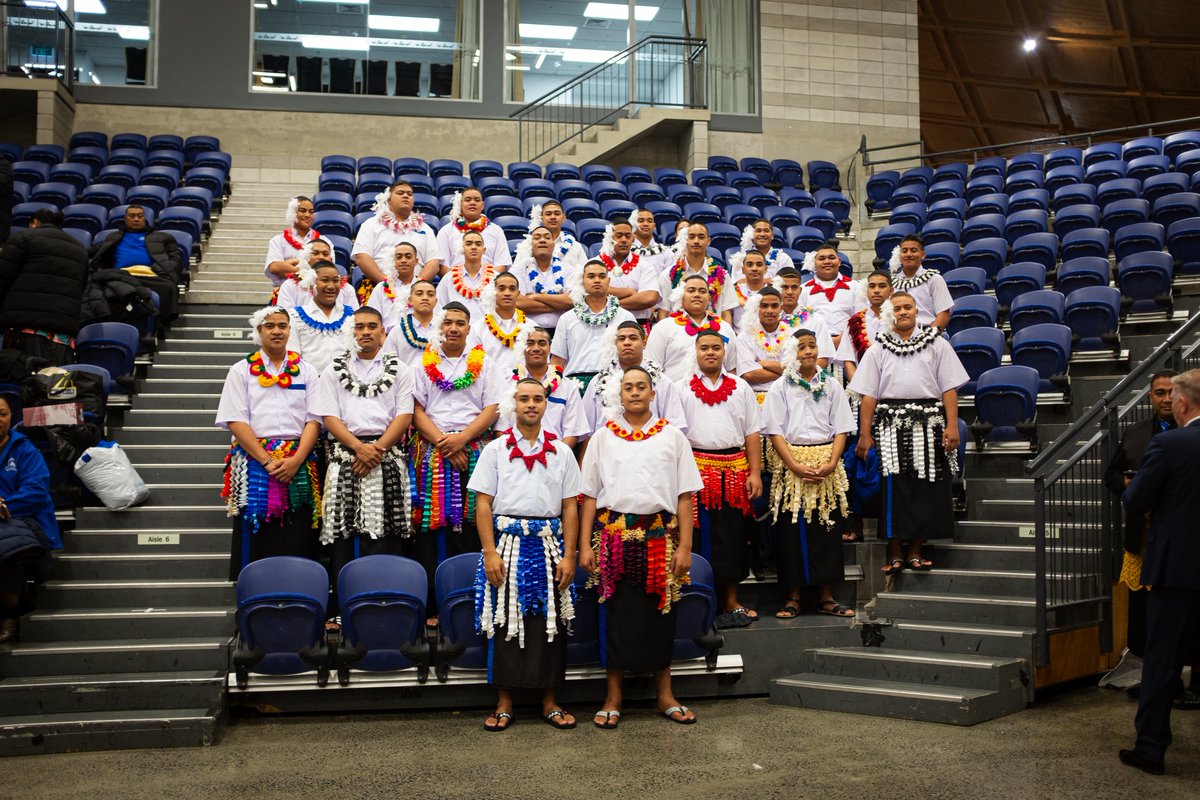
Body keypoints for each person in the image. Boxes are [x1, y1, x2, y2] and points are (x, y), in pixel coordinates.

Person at [579, 366, 704, 727]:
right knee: (616, 614)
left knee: (662, 614)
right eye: (628, 388)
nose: (634, 392)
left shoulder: (672, 437)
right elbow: (588, 497)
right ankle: (613, 696)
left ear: (653, 393)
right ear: (620, 394)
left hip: (660, 539)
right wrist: (586, 546)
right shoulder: (604, 436)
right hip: (614, 537)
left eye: (641, 387)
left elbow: (684, 495)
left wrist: (684, 546)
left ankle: (664, 694)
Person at [472, 377, 582, 732]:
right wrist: (489, 551)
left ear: (546, 404)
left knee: (550, 624)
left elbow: (569, 507)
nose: (531, 404)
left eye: (537, 399)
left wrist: (568, 555)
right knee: (506, 621)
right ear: (514, 405)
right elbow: (484, 504)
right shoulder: (495, 449)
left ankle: (550, 701)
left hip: (549, 545)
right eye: (524, 399)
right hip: (507, 545)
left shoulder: (562, 453)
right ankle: (504, 703)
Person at [849, 292, 967, 574]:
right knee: (893, 488)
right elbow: (868, 395)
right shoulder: (878, 348)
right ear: (890, 313)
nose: (902, 312)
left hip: (929, 424)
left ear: (917, 311)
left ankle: (915, 549)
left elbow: (949, 388)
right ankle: (894, 551)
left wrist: (952, 425)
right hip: (889, 425)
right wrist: (865, 434)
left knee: (923, 488)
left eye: (907, 307)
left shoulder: (937, 344)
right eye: (897, 308)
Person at [1120, 369, 1200, 775]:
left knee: (1162, 660)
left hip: (1177, 568)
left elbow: (1135, 499)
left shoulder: (1169, 443)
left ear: (1182, 403)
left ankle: (1151, 749)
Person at [312, 306, 414, 615]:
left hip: (387, 454)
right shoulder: (333, 370)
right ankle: (347, 610)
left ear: (384, 332)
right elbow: (329, 416)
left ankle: (387, 607)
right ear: (350, 332)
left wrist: (377, 450)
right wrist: (359, 448)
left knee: (388, 531)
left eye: (372, 326)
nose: (365, 332)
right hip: (346, 456)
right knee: (344, 533)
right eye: (359, 327)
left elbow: (404, 414)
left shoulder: (401, 369)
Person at [216, 307, 321, 580]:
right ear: (259, 331)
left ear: (290, 330)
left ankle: (300, 598)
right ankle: (253, 602)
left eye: (283, 326)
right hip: (255, 462)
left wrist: (296, 459)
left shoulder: (307, 371)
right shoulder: (241, 371)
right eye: (270, 325)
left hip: (299, 462)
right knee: (256, 529)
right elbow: (235, 420)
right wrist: (267, 460)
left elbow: (315, 420)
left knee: (298, 531)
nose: (277, 331)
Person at [763, 329, 856, 619]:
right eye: (801, 347)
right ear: (793, 352)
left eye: (812, 346)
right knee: (792, 531)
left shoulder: (831, 385)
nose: (808, 351)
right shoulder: (780, 387)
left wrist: (831, 461)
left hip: (825, 460)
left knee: (826, 529)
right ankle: (793, 597)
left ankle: (827, 597)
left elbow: (842, 428)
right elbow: (775, 431)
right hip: (793, 462)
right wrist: (793, 465)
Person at [410, 302, 500, 599]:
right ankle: (433, 600)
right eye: (447, 322)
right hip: (433, 452)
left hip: (473, 451)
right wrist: (443, 442)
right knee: (431, 522)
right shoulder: (423, 362)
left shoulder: (484, 363)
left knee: (471, 520)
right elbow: (416, 410)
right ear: (440, 327)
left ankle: (471, 594)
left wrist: (462, 438)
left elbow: (493, 408)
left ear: (468, 328)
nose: (453, 328)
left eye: (459, 323)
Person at [678, 330, 762, 628]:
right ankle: (699, 599)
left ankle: (731, 600)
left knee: (733, 536)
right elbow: (676, 436)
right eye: (704, 348)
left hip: (734, 471)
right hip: (695, 472)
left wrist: (754, 472)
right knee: (697, 538)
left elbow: (752, 432)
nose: (711, 352)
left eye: (716, 347)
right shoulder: (681, 388)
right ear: (696, 351)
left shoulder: (741, 387)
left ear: (724, 352)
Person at [0, 394, 59, 642]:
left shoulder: (25, 450)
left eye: (2, 413)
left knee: (9, 544)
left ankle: (9, 612)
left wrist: (3, 506)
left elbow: (35, 492)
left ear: (10, 416)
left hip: (23, 520)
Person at [0, 208, 89, 366]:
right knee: (53, 385)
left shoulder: (23, 238)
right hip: (63, 334)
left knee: (25, 384)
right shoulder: (80, 248)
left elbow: (3, 277)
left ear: (34, 222)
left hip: (26, 328)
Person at [581, 320, 688, 438]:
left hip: (653, 449)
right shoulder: (598, 382)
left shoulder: (662, 381)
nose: (627, 343)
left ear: (644, 342)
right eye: (621, 339)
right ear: (615, 344)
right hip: (606, 450)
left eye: (633, 338)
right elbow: (586, 432)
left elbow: (675, 428)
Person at [88, 203, 185, 325]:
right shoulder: (113, 237)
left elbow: (176, 259)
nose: (136, 219)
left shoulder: (163, 237)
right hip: (120, 277)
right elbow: (93, 251)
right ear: (126, 219)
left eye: (140, 216)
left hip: (151, 276)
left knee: (169, 287)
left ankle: (157, 324)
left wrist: (161, 269)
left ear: (144, 218)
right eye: (132, 216)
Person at [550, 260, 636, 392]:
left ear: (608, 281)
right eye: (591, 276)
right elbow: (557, 361)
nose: (597, 280)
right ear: (582, 281)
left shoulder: (625, 317)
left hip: (614, 384)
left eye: (602, 276)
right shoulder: (567, 318)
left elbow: (634, 357)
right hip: (574, 385)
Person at [738, 286, 835, 398]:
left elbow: (800, 370)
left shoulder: (792, 335)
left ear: (781, 308)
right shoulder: (745, 336)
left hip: (789, 396)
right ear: (757, 308)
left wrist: (766, 364)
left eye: (774, 306)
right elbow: (749, 375)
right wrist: (787, 371)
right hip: (755, 397)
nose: (769, 310)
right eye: (764, 306)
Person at [646, 274, 742, 386]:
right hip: (674, 397)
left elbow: (731, 370)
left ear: (709, 297)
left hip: (718, 396)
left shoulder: (725, 328)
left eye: (702, 291)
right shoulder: (664, 327)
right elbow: (652, 368)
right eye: (691, 291)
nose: (697, 295)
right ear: (681, 296)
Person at [501, 327, 588, 448]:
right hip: (515, 455)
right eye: (530, 343)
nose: (536, 348)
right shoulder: (508, 383)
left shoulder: (567, 386)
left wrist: (557, 457)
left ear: (550, 348)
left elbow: (572, 432)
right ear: (521, 347)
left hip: (556, 456)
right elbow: (501, 427)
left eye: (542, 343)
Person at [352, 180, 440, 293]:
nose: (405, 196)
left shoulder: (425, 228)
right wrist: (386, 284)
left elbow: (433, 262)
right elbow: (362, 257)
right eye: (400, 193)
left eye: (409, 194)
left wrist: (416, 286)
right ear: (388, 199)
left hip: (417, 291)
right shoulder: (371, 224)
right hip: (378, 287)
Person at [286, 261, 356, 375]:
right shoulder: (294, 316)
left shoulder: (353, 315)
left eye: (335, 280)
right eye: (325, 280)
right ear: (312, 283)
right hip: (310, 383)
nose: (331, 286)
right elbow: (293, 355)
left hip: (347, 383)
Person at [658, 222, 737, 322]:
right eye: (691, 237)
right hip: (678, 334)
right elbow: (663, 313)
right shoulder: (669, 275)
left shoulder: (722, 276)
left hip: (713, 333)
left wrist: (724, 337)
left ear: (708, 241)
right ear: (686, 240)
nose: (696, 241)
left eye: (701, 237)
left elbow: (726, 314)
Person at [597, 219, 661, 325]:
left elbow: (649, 297)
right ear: (609, 238)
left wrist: (610, 306)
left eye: (628, 236)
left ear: (633, 238)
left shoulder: (644, 265)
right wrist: (629, 292)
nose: (624, 240)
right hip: (602, 324)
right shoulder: (595, 263)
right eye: (619, 235)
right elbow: (590, 291)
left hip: (637, 324)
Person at [800, 243, 861, 350]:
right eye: (821, 258)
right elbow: (800, 322)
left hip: (848, 345)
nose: (827, 262)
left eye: (832, 258)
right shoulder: (803, 290)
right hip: (814, 347)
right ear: (814, 263)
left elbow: (860, 319)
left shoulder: (855, 287)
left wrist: (843, 340)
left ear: (839, 261)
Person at [515, 225, 573, 336]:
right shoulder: (519, 269)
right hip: (528, 332)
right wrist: (558, 304)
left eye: (547, 237)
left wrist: (537, 296)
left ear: (554, 245)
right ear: (530, 245)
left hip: (562, 332)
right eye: (537, 238)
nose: (542, 240)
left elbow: (571, 300)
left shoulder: (568, 269)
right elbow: (518, 302)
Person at [471, 271, 531, 379]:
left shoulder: (531, 327)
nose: (507, 293)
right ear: (493, 292)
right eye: (501, 288)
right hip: (489, 390)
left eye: (512, 289)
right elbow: (472, 365)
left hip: (523, 390)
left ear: (518, 294)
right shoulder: (478, 328)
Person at [435, 188, 512, 271]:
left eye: (477, 200)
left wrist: (488, 282)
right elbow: (443, 266)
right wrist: (457, 282)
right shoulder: (446, 231)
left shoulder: (496, 230)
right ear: (460, 204)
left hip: (490, 281)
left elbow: (502, 264)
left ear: (482, 205)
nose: (472, 203)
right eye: (467, 200)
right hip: (454, 281)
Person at [838, 270, 894, 383]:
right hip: (863, 383)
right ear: (866, 290)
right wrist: (858, 390)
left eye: (882, 286)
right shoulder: (854, 322)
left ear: (891, 291)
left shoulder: (899, 319)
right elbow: (848, 361)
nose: (876, 291)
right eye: (872, 286)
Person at [274, 238, 357, 311]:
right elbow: (286, 319)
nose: (321, 257)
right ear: (305, 257)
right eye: (315, 253)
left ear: (331, 260)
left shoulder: (346, 289)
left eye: (325, 254)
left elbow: (353, 319)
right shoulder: (289, 285)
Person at [889, 234, 953, 330]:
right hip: (897, 335)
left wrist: (926, 338)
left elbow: (944, 314)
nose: (909, 254)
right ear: (899, 256)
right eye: (904, 251)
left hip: (928, 334)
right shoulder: (891, 282)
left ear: (922, 255)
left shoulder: (934, 279)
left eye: (913, 251)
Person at [436, 230, 497, 321]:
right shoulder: (449, 278)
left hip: (488, 330)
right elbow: (438, 308)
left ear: (484, 250)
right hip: (456, 331)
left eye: (478, 244)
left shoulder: (495, 278)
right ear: (462, 249)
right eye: (469, 244)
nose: (473, 247)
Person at [383, 279, 438, 370]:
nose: (425, 297)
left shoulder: (445, 329)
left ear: (436, 301)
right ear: (410, 300)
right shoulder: (398, 331)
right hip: (407, 382)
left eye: (430, 294)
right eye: (419, 294)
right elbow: (387, 364)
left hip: (439, 382)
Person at [265, 196, 320, 284]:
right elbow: (274, 267)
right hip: (285, 293)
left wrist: (288, 264)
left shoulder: (323, 241)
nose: (307, 215)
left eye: (311, 212)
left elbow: (325, 270)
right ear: (292, 212)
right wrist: (305, 270)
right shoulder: (278, 240)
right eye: (302, 210)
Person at [366, 241, 420, 328]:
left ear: (416, 261)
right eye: (398, 257)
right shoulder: (381, 288)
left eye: (408, 257)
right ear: (393, 261)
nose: (403, 260)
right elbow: (371, 317)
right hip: (385, 338)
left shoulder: (423, 288)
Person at [536, 201, 588, 278]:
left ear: (564, 217)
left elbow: (585, 273)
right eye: (548, 214)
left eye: (557, 214)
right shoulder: (528, 245)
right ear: (541, 217)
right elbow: (517, 273)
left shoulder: (575, 246)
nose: (553, 217)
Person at [728, 249, 775, 330]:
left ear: (765, 269)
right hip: (738, 339)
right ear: (743, 270)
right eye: (750, 265)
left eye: (759, 265)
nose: (754, 268)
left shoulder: (774, 293)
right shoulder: (732, 292)